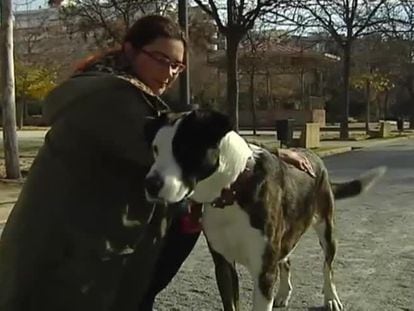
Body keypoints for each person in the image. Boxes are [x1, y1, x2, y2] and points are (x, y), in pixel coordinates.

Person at [0, 15, 315, 311]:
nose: (169, 73)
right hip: (67, 246)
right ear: (130, 50)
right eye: (161, 60)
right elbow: (179, 145)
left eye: (177, 66)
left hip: (74, 238)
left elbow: (184, 136)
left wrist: (267, 153)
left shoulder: (120, 89)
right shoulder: (114, 99)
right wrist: (262, 156)